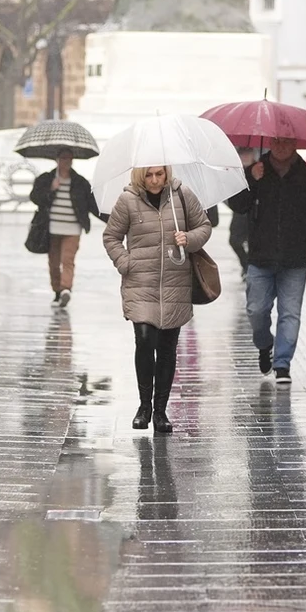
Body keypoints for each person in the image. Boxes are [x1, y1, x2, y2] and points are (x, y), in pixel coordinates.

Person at [102, 166, 212, 433]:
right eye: (149, 175)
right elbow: (111, 236)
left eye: (159, 174)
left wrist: (189, 238)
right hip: (141, 284)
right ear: (141, 175)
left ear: (166, 173)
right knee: (144, 339)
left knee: (166, 348)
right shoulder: (128, 200)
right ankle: (144, 407)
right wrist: (126, 263)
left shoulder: (182, 195)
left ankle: (161, 411)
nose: (154, 180)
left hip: (175, 283)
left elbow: (204, 227)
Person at [228, 136, 306, 384]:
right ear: (270, 144)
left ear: (295, 145)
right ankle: (264, 344)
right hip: (260, 257)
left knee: (290, 313)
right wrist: (251, 179)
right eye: (276, 142)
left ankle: (282, 364)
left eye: (286, 142)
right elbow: (238, 206)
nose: (281, 147)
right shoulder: (256, 172)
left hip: (295, 258)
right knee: (256, 310)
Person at [28, 147, 103, 308]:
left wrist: (114, 220)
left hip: (73, 229)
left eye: (69, 159)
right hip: (51, 228)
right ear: (57, 159)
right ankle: (57, 292)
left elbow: (92, 205)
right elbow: (35, 198)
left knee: (68, 260)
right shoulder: (46, 179)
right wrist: (51, 189)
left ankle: (65, 289)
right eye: (63, 158)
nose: (66, 162)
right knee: (54, 263)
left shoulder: (80, 182)